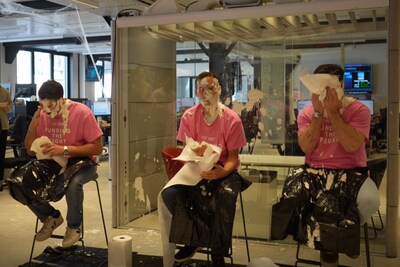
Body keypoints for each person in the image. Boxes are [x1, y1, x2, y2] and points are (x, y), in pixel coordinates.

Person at [278, 64, 379, 267]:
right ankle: (329, 240)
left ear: (341, 84)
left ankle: (342, 233)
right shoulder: (306, 113)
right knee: (292, 194)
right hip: (315, 169)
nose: (324, 92)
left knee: (368, 200)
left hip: (351, 172)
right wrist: (318, 113)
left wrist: (333, 113)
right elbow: (306, 147)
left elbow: (351, 145)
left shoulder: (359, 110)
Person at [158, 71, 248, 267]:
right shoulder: (189, 116)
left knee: (223, 196)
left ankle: (217, 253)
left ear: (219, 90)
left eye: (210, 87)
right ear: (196, 92)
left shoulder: (231, 119)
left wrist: (221, 173)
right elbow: (186, 150)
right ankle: (195, 237)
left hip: (223, 169)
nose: (205, 92)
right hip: (196, 167)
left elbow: (233, 158)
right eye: (201, 88)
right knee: (169, 194)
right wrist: (194, 153)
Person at [24, 80, 103, 248]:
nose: (47, 109)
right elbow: (30, 151)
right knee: (22, 180)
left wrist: (64, 149)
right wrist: (33, 125)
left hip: (83, 161)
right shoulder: (42, 115)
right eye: (43, 105)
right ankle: (50, 217)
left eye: (51, 105)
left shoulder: (81, 112)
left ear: (61, 99)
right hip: (54, 162)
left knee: (73, 184)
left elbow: (97, 148)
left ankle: (74, 227)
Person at [0, 85, 13, 185]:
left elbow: (10, 109)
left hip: (2, 126)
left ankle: (0, 180)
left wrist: (3, 106)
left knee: (1, 154)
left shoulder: (4, 91)